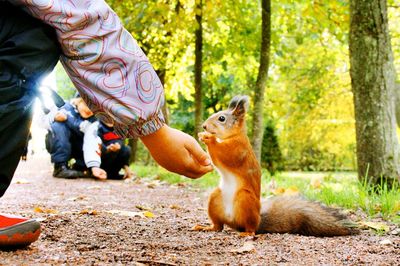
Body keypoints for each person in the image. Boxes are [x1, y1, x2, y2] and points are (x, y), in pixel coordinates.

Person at [0, 0, 212, 249]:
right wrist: (153, 129)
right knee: (30, 39)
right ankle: (63, 166)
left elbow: (93, 136)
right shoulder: (68, 112)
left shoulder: (94, 122)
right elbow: (77, 13)